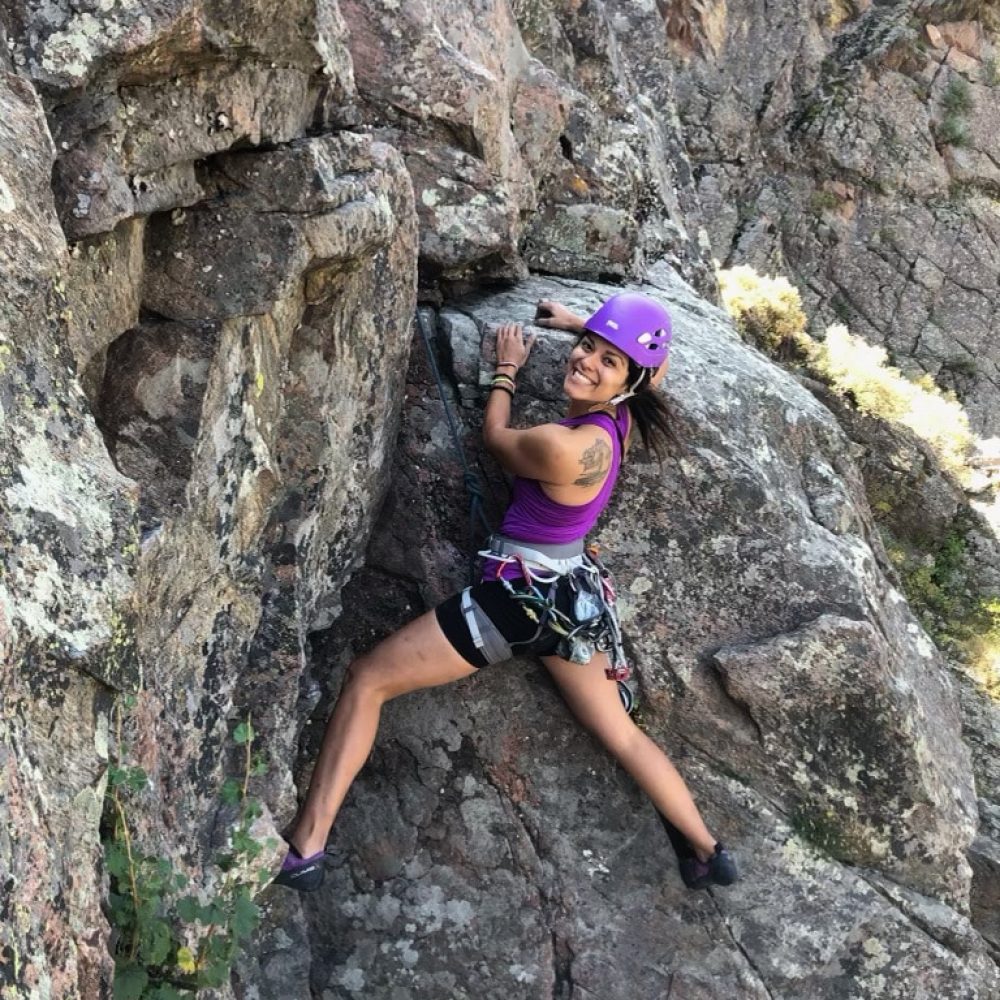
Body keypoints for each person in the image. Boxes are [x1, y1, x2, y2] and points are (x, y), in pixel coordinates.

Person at [274, 292, 738, 893]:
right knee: (621, 734)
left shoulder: (559, 446)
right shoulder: (622, 416)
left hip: (515, 603)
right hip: (572, 599)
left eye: (606, 361)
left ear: (631, 379)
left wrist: (506, 372)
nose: (586, 362)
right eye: (587, 348)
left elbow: (497, 439)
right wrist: (586, 327)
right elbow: (652, 370)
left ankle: (307, 846)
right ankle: (707, 851)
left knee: (368, 679)